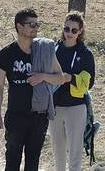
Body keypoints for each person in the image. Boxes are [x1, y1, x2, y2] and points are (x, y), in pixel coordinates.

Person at [0, 7, 66, 171]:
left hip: (38, 117)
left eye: (37, 24)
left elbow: (60, 78)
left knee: (32, 163)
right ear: (19, 27)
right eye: (31, 24)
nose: (35, 28)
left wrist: (42, 77)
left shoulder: (45, 50)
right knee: (12, 161)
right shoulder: (6, 54)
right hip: (16, 116)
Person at [50, 11, 96, 171]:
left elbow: (89, 84)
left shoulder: (85, 54)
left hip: (76, 106)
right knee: (57, 150)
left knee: (75, 151)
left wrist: (71, 78)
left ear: (80, 31)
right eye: (66, 29)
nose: (69, 33)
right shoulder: (54, 49)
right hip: (54, 107)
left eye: (74, 30)